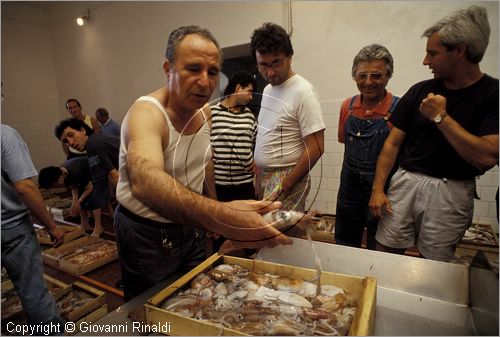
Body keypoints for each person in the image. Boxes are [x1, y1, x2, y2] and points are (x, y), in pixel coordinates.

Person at [114, 25, 291, 301]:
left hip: (191, 228)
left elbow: (204, 162)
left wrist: (214, 204)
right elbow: (145, 181)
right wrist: (221, 215)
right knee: (153, 309)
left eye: (212, 72)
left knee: (194, 299)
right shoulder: (147, 113)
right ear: (168, 69)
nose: (205, 81)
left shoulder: (204, 111)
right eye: (193, 69)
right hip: (147, 235)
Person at [369, 6, 499, 262]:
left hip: (451, 191)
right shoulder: (420, 90)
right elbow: (392, 144)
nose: (425, 61)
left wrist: (441, 117)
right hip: (406, 183)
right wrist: (378, 189)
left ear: (460, 50)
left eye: (432, 53)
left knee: (435, 265)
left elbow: (486, 156)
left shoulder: (492, 94)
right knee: (385, 255)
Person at [251, 22, 325, 213]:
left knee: (282, 239)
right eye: (263, 65)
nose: (270, 72)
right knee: (267, 237)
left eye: (276, 62)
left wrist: (286, 184)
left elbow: (316, 147)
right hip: (264, 176)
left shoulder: (303, 91)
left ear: (289, 57)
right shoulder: (268, 89)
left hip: (286, 177)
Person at [1, 124, 65, 335]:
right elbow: (25, 187)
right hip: (11, 229)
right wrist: (52, 225)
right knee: (33, 292)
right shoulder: (5, 134)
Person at [335, 44, 399, 250]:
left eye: (376, 76)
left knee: (378, 245)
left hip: (382, 190)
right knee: (344, 241)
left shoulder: (398, 109)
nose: (368, 82)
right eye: (362, 76)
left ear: (388, 76)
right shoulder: (348, 106)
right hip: (349, 188)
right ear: (354, 76)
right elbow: (344, 141)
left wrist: (378, 189)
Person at [211, 71, 258, 201]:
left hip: (246, 185)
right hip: (220, 186)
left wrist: (257, 161)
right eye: (249, 91)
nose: (251, 97)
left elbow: (257, 144)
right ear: (238, 88)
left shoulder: (250, 116)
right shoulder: (212, 113)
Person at [38, 157, 113, 237]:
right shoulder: (63, 174)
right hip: (86, 179)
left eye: (55, 184)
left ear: (60, 178)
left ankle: (98, 226)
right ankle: (84, 224)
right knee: (79, 201)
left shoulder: (74, 172)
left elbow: (89, 187)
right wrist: (75, 203)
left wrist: (79, 201)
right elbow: (74, 187)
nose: (56, 186)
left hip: (97, 174)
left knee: (94, 198)